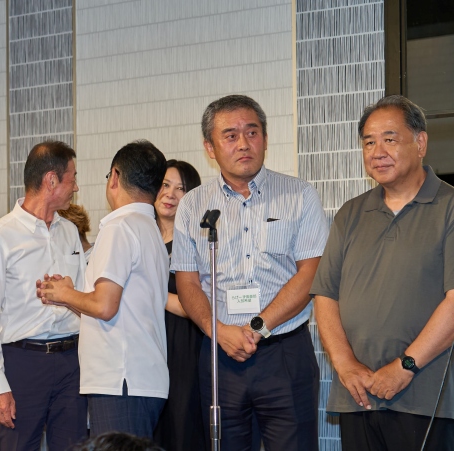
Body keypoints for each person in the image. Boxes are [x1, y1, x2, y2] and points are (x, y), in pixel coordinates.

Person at [171, 95, 328, 450]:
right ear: (210, 148)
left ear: (266, 139)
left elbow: (311, 273)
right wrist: (218, 330)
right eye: (230, 135)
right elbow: (187, 281)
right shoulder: (193, 205)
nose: (243, 143)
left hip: (283, 349)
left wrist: (257, 326)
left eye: (252, 132)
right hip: (220, 353)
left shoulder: (299, 195)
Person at [312, 95, 454, 450]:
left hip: (427, 398)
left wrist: (405, 366)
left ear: (420, 143)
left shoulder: (449, 206)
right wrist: (346, 366)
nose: (377, 152)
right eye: (369, 142)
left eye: (389, 139)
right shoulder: (350, 213)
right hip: (358, 395)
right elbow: (325, 296)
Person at [38, 140, 170, 438]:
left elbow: (105, 306)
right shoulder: (149, 228)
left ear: (115, 177)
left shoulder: (119, 226)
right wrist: (71, 297)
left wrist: (63, 293)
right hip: (140, 377)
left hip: (120, 379)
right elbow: (120, 308)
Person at [0, 141, 86, 450]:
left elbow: (85, 298)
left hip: (71, 361)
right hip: (23, 362)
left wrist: (69, 295)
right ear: (51, 180)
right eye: (72, 178)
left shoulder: (70, 231)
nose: (76, 187)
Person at [152, 160, 206, 450]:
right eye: (165, 185)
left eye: (180, 188)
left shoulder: (196, 242)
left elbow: (194, 306)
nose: (170, 194)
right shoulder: (142, 237)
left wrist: (152, 293)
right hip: (148, 349)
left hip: (185, 350)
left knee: (183, 430)